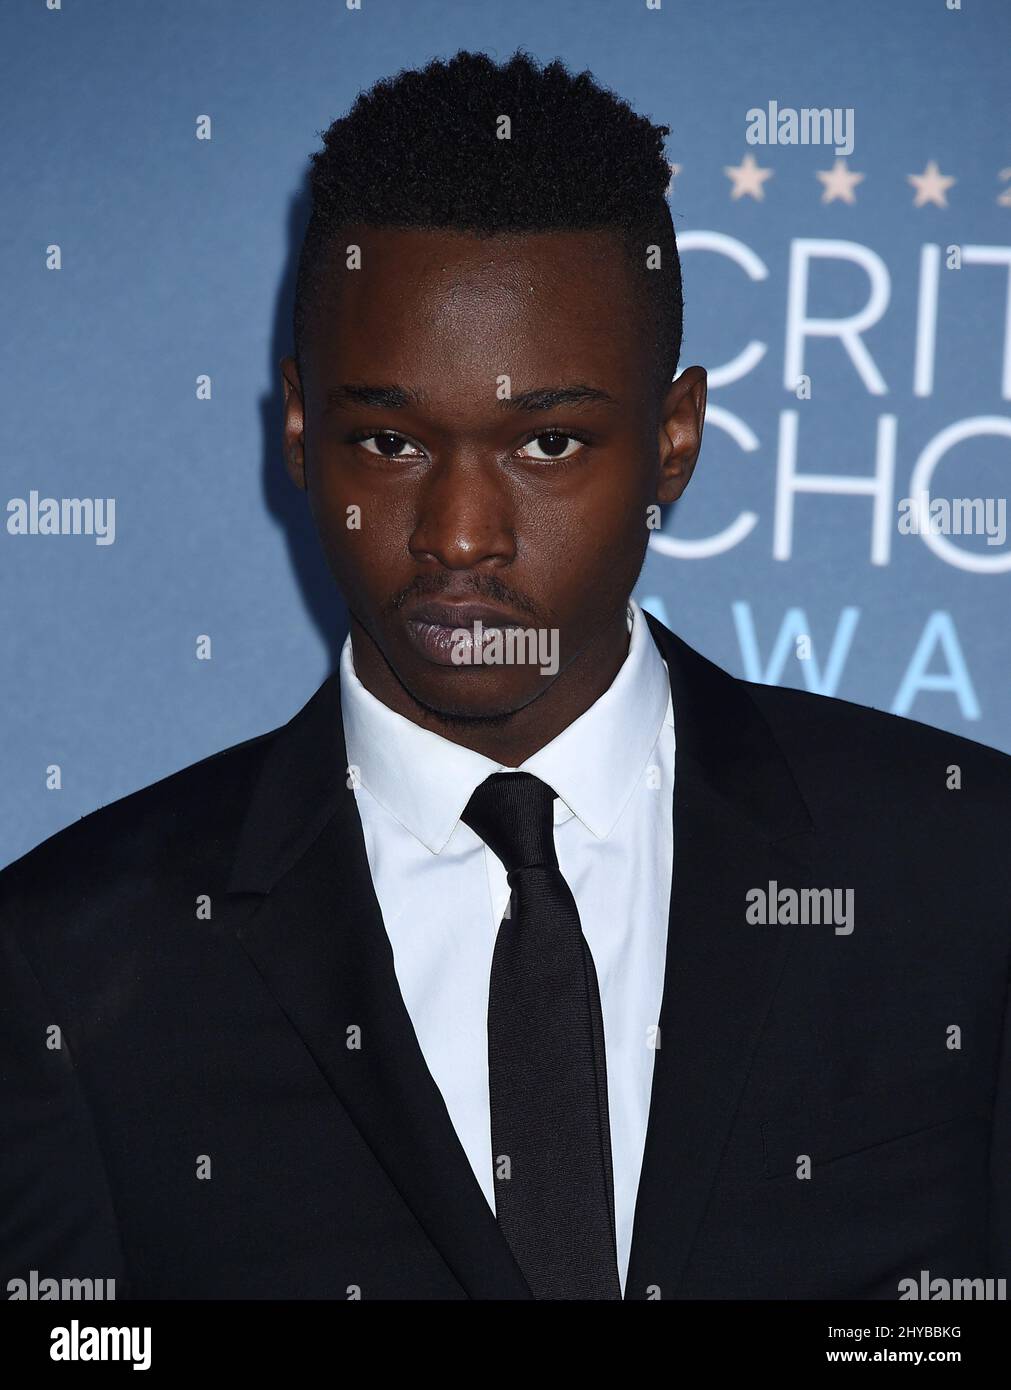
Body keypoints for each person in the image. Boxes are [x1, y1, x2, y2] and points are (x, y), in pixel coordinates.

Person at [2, 49, 1009, 1302]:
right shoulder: (77, 965)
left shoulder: (965, 867)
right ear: (303, 436)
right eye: (390, 440)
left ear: (674, 443)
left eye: (548, 440)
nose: (462, 533)